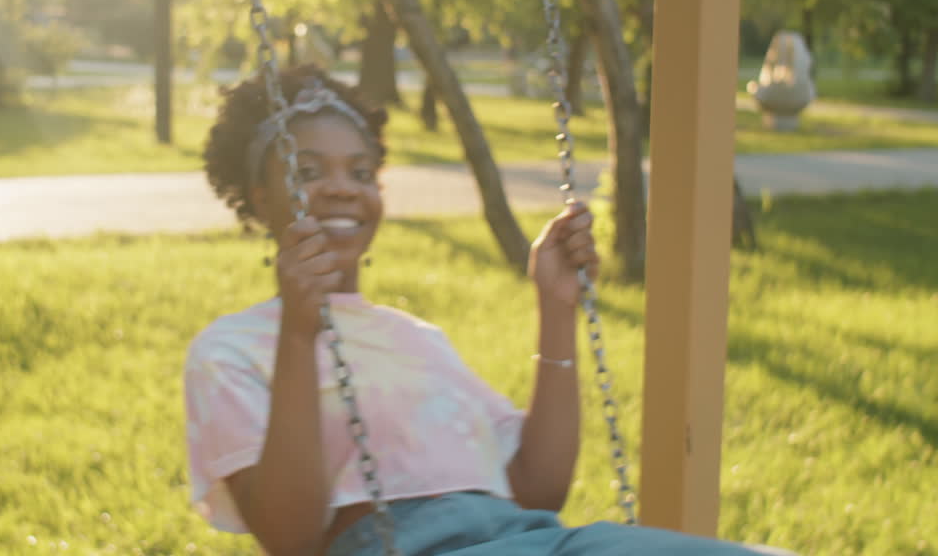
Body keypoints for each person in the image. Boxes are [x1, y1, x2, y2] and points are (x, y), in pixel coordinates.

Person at [186, 65, 788, 556]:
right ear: (259, 195)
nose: (343, 188)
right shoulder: (231, 351)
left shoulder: (416, 338)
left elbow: (537, 486)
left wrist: (555, 308)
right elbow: (290, 540)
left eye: (362, 172)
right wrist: (299, 334)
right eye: (309, 171)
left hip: (539, 541)